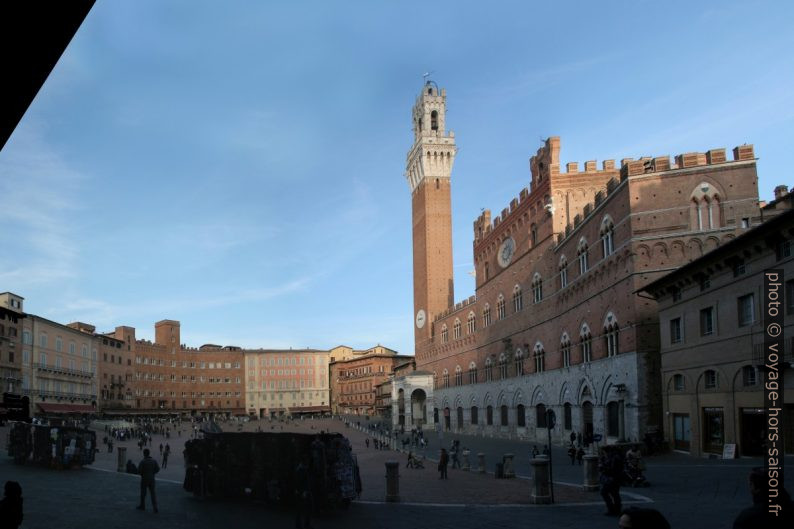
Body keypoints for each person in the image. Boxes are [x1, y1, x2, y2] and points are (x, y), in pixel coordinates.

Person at [599, 447, 623, 516]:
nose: (603, 454)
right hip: (616, 479)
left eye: (603, 452)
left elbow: (612, 469)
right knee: (615, 494)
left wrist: (602, 467)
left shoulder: (613, 458)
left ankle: (612, 509)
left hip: (612, 479)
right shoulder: (614, 457)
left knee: (604, 492)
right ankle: (617, 510)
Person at [136, 448, 160, 513]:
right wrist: (153, 473)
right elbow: (158, 469)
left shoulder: (143, 461)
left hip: (144, 478)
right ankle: (155, 507)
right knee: (153, 493)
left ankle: (142, 505)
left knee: (143, 492)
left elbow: (139, 471)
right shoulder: (154, 461)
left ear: (144, 454)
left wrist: (142, 474)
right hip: (152, 478)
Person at [294, 459, 313, 529]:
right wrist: (303, 492)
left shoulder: (300, 469)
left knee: (303, 509)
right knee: (304, 509)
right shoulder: (301, 470)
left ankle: (303, 525)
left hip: (303, 492)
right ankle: (303, 525)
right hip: (303, 493)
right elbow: (300, 482)